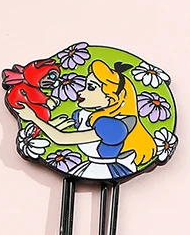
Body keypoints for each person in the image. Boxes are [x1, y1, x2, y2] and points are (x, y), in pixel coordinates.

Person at [13, 58, 157, 178]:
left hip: (104, 171)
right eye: (85, 86)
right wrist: (47, 125)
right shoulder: (85, 116)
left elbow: (61, 138)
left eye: (91, 87)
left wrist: (34, 118)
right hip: (90, 166)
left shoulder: (114, 126)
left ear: (111, 98)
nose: (81, 91)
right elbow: (62, 131)